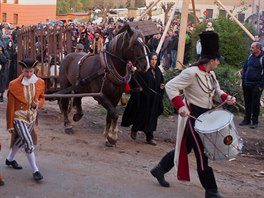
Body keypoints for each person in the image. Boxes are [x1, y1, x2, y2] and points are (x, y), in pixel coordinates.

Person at [150, 31, 236, 198]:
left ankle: (159, 170)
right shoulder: (191, 72)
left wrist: (227, 97)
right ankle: (211, 190)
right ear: (212, 60)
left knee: (186, 147)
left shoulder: (210, 73)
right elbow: (170, 86)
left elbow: (216, 91)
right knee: (202, 153)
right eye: (218, 60)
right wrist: (180, 107)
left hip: (206, 118)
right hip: (193, 118)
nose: (219, 63)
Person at [6, 58, 45, 181]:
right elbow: (10, 107)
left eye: (31, 71)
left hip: (32, 116)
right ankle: (35, 170)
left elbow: (42, 98)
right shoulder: (13, 85)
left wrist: (37, 104)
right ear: (22, 70)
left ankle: (10, 159)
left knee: (21, 140)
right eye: (26, 71)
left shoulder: (40, 82)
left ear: (34, 70)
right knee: (28, 142)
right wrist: (10, 125)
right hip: (19, 117)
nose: (29, 74)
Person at [121, 52, 165, 145]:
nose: (153, 61)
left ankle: (150, 137)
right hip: (145, 99)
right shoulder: (145, 71)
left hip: (154, 100)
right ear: (149, 60)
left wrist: (161, 86)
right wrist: (133, 71)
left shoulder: (158, 71)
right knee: (141, 116)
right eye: (152, 59)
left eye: (155, 59)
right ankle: (135, 129)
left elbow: (161, 82)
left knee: (152, 118)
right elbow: (137, 78)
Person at [239, 42, 264, 129]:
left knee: (255, 104)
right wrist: (243, 79)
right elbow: (245, 68)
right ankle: (246, 120)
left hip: (257, 85)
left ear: (258, 49)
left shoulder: (262, 58)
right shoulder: (250, 56)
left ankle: (255, 121)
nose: (251, 49)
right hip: (246, 84)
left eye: (252, 47)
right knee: (247, 102)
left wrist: (260, 85)